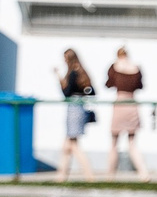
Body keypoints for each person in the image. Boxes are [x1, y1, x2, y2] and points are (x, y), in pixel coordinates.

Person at [103, 47, 148, 178]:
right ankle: (143, 173)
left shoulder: (115, 67)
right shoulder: (136, 68)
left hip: (120, 102)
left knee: (114, 143)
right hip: (132, 103)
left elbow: (108, 83)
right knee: (132, 143)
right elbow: (140, 85)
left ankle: (110, 175)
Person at [56, 49, 96, 178]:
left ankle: (89, 174)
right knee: (67, 146)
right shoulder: (82, 72)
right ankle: (61, 175)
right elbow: (92, 91)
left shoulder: (73, 74)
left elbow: (66, 92)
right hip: (81, 107)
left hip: (74, 108)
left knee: (73, 145)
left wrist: (59, 79)